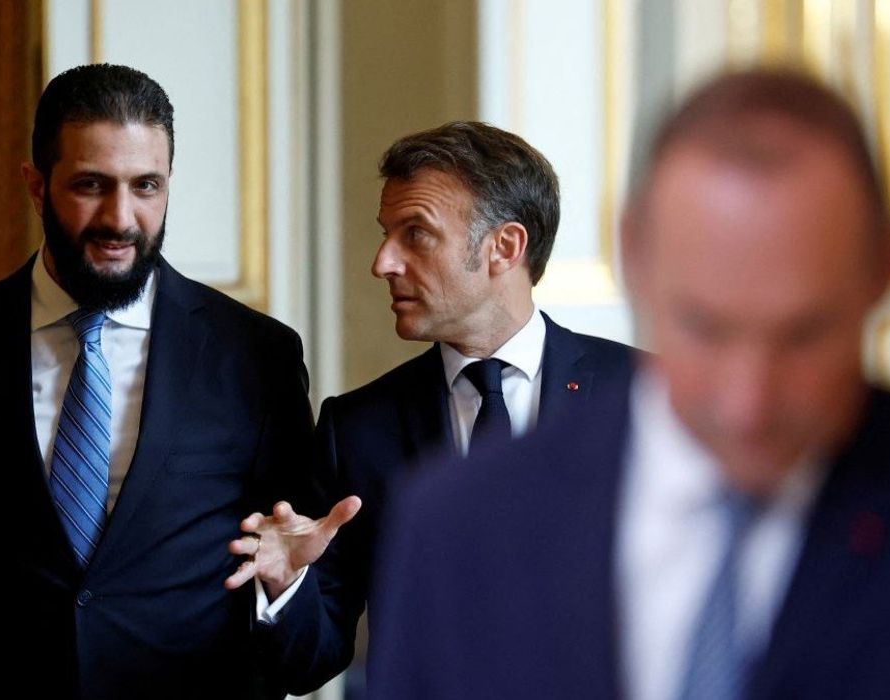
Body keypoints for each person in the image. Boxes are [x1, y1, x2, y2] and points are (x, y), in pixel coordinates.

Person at [368, 69, 890, 700]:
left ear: (886, 266)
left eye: (803, 335)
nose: (746, 401)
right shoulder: (460, 523)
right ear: (633, 256)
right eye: (705, 328)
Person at [0, 63, 316, 699]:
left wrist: (284, 590)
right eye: (91, 185)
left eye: (146, 186)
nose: (120, 218)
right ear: (37, 188)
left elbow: (305, 609)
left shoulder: (257, 357)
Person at [224, 121, 640, 695]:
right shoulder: (359, 429)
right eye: (386, 233)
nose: (383, 263)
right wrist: (287, 584)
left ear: (505, 247)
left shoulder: (643, 395)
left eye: (415, 234)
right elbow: (307, 664)